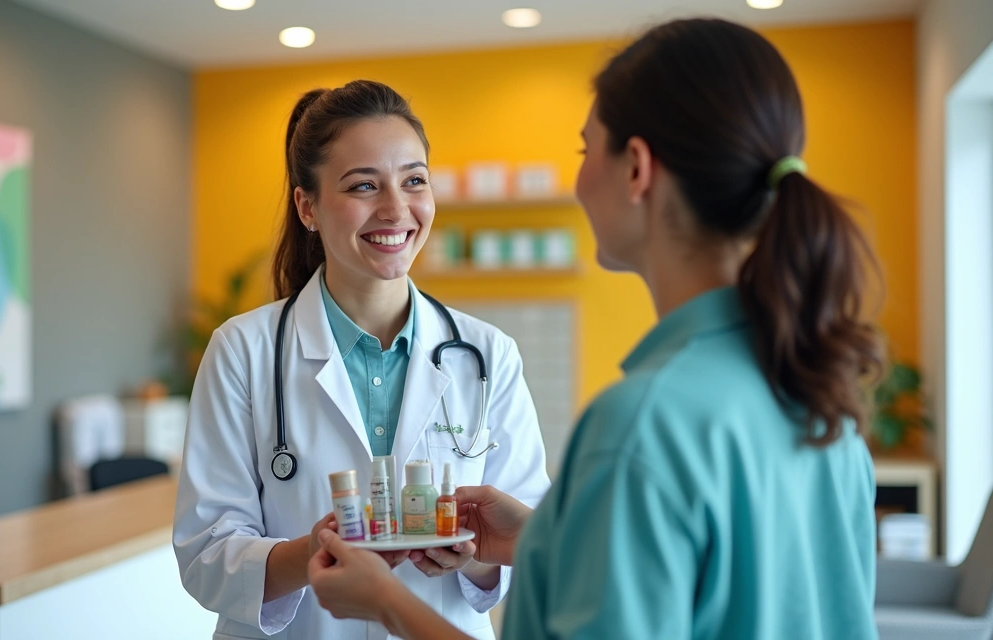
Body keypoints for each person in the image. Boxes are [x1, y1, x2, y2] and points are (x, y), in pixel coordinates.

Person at [308, 18, 883, 640]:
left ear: (635, 169)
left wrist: (389, 603)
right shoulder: (817, 397)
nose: (580, 180)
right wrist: (544, 537)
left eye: (585, 152)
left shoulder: (641, 425)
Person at [173, 79, 550, 639]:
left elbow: (530, 549)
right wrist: (316, 552)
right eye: (363, 186)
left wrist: (470, 555)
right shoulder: (242, 351)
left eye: (414, 180)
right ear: (308, 206)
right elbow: (206, 557)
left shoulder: (488, 355)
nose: (396, 209)